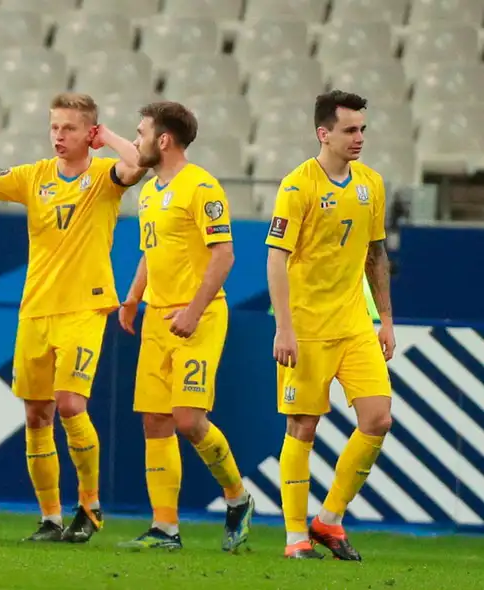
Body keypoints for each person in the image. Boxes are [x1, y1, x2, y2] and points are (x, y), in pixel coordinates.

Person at [0, 93, 146, 543]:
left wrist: (108, 137)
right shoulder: (35, 176)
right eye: (54, 127)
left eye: (69, 128)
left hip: (84, 308)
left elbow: (139, 163)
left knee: (70, 404)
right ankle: (50, 518)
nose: (59, 136)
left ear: (89, 132)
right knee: (36, 415)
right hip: (36, 309)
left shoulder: (105, 176)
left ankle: (90, 506)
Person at [104, 101, 254, 551]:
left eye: (141, 133)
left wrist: (192, 310)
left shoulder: (202, 187)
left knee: (188, 419)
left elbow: (224, 255)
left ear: (164, 140)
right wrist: (133, 298)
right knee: (155, 419)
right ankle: (165, 528)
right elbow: (152, 251)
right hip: (157, 315)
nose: (136, 141)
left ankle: (238, 497)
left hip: (200, 317)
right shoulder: (150, 191)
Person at [266, 90, 394, 561]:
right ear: (324, 133)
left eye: (362, 129)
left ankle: (329, 520)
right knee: (303, 426)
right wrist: (284, 328)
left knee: (378, 419)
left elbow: (376, 254)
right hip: (306, 327)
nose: (359, 138)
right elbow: (276, 259)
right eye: (349, 130)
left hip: (356, 324)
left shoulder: (371, 183)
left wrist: (386, 320)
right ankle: (294, 537)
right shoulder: (297, 186)